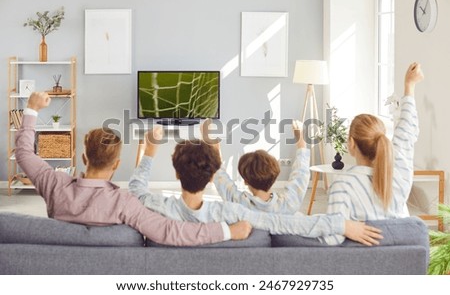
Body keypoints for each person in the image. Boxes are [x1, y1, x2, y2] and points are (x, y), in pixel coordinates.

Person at [15, 92, 252, 247]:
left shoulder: (54, 184)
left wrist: (32, 108)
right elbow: (171, 231)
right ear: (117, 164)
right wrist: (228, 232)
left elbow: (24, 153)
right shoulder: (124, 203)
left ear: (84, 157)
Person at [129, 129, 383, 246]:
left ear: (175, 173)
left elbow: (137, 189)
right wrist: (339, 224)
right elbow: (282, 224)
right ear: (209, 178)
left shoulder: (154, 206)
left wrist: (149, 151)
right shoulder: (231, 214)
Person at [323, 62, 424, 245]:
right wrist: (409, 86)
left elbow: (332, 240)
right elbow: (406, 133)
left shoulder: (343, 185)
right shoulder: (398, 174)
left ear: (351, 144)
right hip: (401, 261)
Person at [212, 120, 309, 214]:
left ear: (245, 181)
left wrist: (213, 144)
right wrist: (300, 139)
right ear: (274, 178)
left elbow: (220, 177)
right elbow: (301, 175)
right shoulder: (288, 205)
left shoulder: (239, 204)